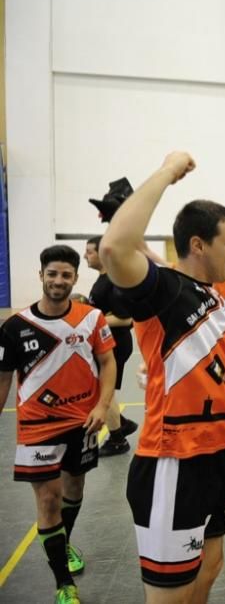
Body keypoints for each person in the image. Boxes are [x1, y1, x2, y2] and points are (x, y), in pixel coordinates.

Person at [100, 152, 225, 603]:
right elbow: (115, 249)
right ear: (199, 245)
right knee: (171, 595)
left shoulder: (213, 295)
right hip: (173, 462)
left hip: (214, 457)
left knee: (211, 565)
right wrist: (166, 172)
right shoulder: (165, 290)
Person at [0, 245, 117, 604]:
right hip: (37, 427)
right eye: (52, 273)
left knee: (74, 490)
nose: (58, 280)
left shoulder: (91, 318)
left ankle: (62, 543)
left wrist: (102, 405)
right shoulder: (16, 327)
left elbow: (108, 363)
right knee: (48, 500)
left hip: (82, 423)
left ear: (75, 279)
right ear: (41, 276)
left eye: (66, 274)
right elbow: (3, 380)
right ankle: (64, 583)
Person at [84, 236, 139, 455]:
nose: (85, 256)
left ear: (103, 254)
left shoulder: (114, 283)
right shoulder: (102, 280)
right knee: (101, 388)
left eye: (89, 251)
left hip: (115, 343)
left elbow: (125, 318)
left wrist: (90, 322)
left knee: (103, 390)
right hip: (106, 342)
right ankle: (121, 423)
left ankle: (117, 440)